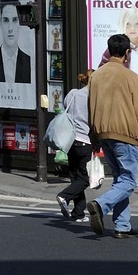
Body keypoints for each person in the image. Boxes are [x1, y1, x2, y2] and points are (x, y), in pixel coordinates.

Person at [87, 33, 138, 240]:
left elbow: (91, 107)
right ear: (127, 53)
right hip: (125, 134)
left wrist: (94, 136)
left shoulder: (96, 76)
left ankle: (123, 225)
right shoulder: (131, 77)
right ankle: (100, 204)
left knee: (120, 179)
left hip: (104, 133)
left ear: (109, 51)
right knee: (129, 181)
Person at [54, 71, 93, 220]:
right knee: (84, 179)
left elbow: (65, 107)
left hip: (70, 140)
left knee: (76, 176)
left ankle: (78, 213)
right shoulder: (93, 97)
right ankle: (64, 196)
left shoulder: (73, 93)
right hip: (85, 140)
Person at [0, 0, 31, 84]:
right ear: (0, 22)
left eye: (15, 20)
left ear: (20, 22)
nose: (10, 28)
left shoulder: (28, 61)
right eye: (6, 20)